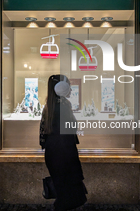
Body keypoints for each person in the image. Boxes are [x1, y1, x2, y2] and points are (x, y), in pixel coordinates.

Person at [40, 74, 87, 211]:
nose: (71, 90)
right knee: (69, 193)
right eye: (68, 86)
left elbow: (44, 132)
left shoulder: (48, 106)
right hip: (65, 153)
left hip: (53, 152)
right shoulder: (65, 105)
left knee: (62, 190)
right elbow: (72, 128)